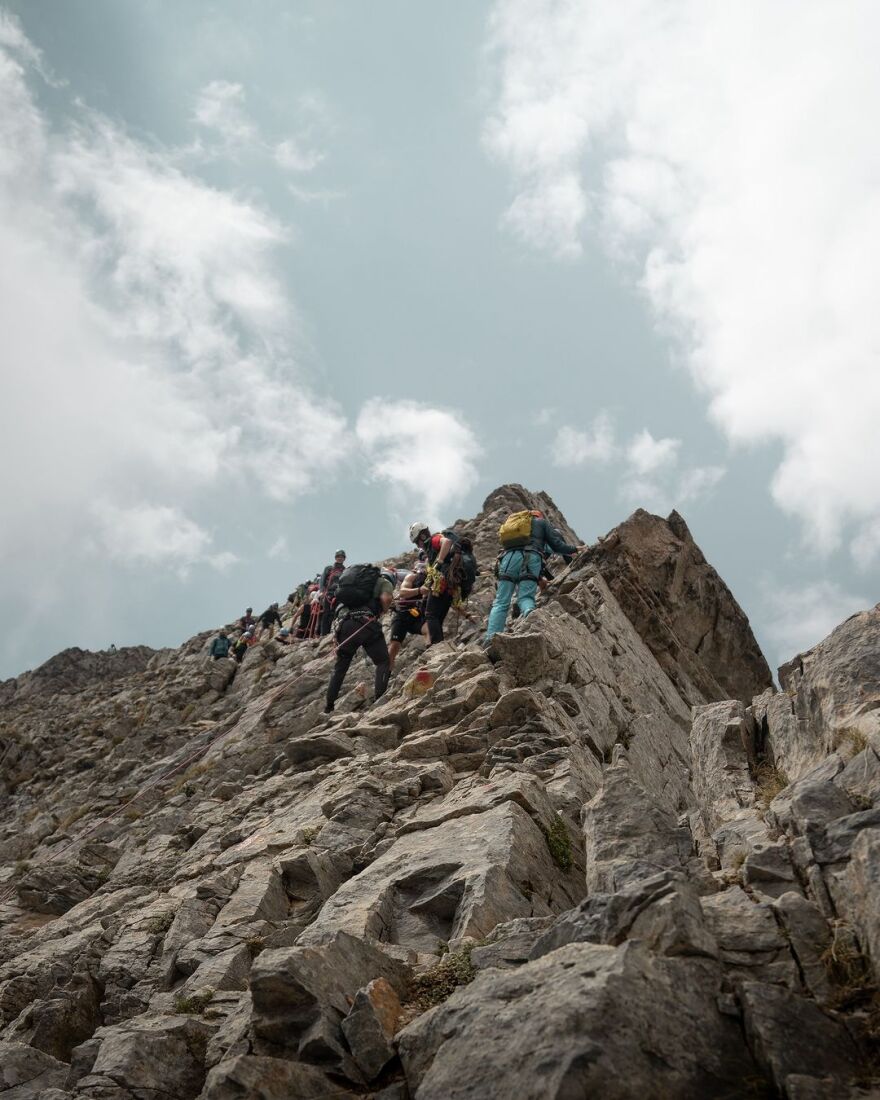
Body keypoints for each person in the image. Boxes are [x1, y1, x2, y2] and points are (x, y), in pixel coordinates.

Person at [485, 510, 585, 640]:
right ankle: (532, 619)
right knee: (525, 597)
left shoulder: (515, 526)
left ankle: (490, 639)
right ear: (539, 516)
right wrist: (576, 549)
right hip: (530, 557)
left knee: (500, 603)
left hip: (507, 558)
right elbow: (557, 545)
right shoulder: (541, 523)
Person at [325, 566, 395, 713]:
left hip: (344, 626)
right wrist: (384, 610)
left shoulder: (352, 590)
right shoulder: (384, 582)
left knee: (340, 668)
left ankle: (329, 706)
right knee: (383, 661)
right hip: (366, 624)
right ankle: (379, 700)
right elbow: (386, 598)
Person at [407, 523, 476, 644]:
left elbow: (447, 542)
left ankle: (437, 645)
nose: (418, 546)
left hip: (442, 582)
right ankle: (439, 644)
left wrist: (439, 561)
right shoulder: (430, 550)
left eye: (417, 542)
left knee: (430, 615)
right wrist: (467, 615)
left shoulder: (434, 539)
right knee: (437, 617)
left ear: (422, 536)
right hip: (449, 586)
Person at [388, 560, 429, 668]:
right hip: (403, 615)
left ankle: (431, 657)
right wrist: (420, 590)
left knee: (429, 630)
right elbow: (403, 593)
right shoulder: (411, 577)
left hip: (417, 616)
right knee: (394, 646)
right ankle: (385, 672)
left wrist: (467, 614)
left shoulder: (432, 581)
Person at [319, 550, 347, 636]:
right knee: (326, 613)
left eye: (342, 557)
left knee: (334, 614)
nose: (340, 558)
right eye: (338, 556)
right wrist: (322, 591)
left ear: (344, 558)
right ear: (335, 558)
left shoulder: (345, 570)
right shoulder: (329, 568)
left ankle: (331, 633)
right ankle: (323, 634)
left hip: (338, 594)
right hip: (328, 593)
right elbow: (322, 580)